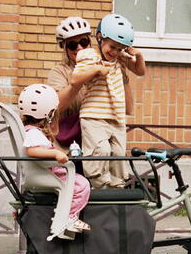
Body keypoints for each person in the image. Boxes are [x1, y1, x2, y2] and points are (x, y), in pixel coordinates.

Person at [71, 13, 146, 189]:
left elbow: (140, 71)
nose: (114, 52)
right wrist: (97, 70)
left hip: (116, 117)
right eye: (112, 46)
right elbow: (75, 79)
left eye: (120, 48)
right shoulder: (89, 56)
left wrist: (138, 55)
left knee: (118, 154)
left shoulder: (120, 59)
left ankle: (116, 188)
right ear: (100, 38)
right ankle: (98, 186)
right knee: (101, 151)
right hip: (94, 116)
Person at [18, 83, 91, 240]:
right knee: (82, 184)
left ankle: (65, 219)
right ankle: (68, 218)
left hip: (48, 170)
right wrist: (56, 154)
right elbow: (31, 151)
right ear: (49, 114)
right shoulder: (34, 133)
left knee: (78, 182)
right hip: (48, 173)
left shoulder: (31, 131)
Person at [47, 16, 94, 150]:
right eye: (73, 45)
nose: (79, 48)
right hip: (69, 146)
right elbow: (57, 106)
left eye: (84, 42)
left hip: (96, 141)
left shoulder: (100, 68)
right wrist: (78, 80)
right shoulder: (59, 72)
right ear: (65, 49)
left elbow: (128, 108)